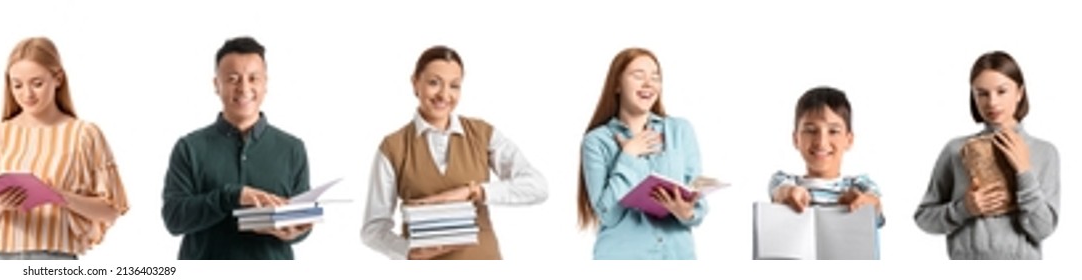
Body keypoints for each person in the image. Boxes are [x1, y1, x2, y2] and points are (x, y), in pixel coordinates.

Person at [358, 46, 550, 260]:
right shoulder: (393, 147)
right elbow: (373, 230)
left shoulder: (483, 134)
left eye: (454, 86)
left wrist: (474, 191)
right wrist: (408, 252)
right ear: (415, 83)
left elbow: (538, 187)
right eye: (434, 83)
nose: (444, 95)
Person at [0, 37, 130, 260]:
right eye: (17, 85)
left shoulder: (84, 134)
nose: (27, 94)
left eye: (37, 83)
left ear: (58, 78)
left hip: (54, 259)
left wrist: (62, 197)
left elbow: (111, 210)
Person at [160, 36, 314, 260]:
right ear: (216, 85)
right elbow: (174, 220)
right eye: (233, 79)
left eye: (254, 78)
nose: (244, 88)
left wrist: (295, 232)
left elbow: (302, 223)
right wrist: (231, 196)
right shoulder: (189, 148)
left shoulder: (292, 148)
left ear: (265, 83)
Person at [914, 51, 1060, 260]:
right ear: (973, 96)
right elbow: (924, 218)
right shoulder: (956, 150)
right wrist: (964, 208)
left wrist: (1024, 172)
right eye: (982, 93)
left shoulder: (1045, 152)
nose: (992, 102)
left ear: (1019, 92)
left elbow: (1042, 229)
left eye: (1002, 91)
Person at [576, 47, 707, 260]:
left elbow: (697, 197)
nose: (649, 84)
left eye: (655, 77)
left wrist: (687, 213)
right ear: (617, 84)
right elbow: (608, 215)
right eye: (638, 76)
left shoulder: (680, 130)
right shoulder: (596, 141)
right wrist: (628, 156)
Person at [762, 86, 885, 259]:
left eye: (833, 131)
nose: (821, 141)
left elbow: (875, 204)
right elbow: (780, 192)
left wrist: (863, 202)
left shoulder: (859, 184)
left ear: (849, 140)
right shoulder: (785, 181)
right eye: (811, 130)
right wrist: (791, 193)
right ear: (796, 139)